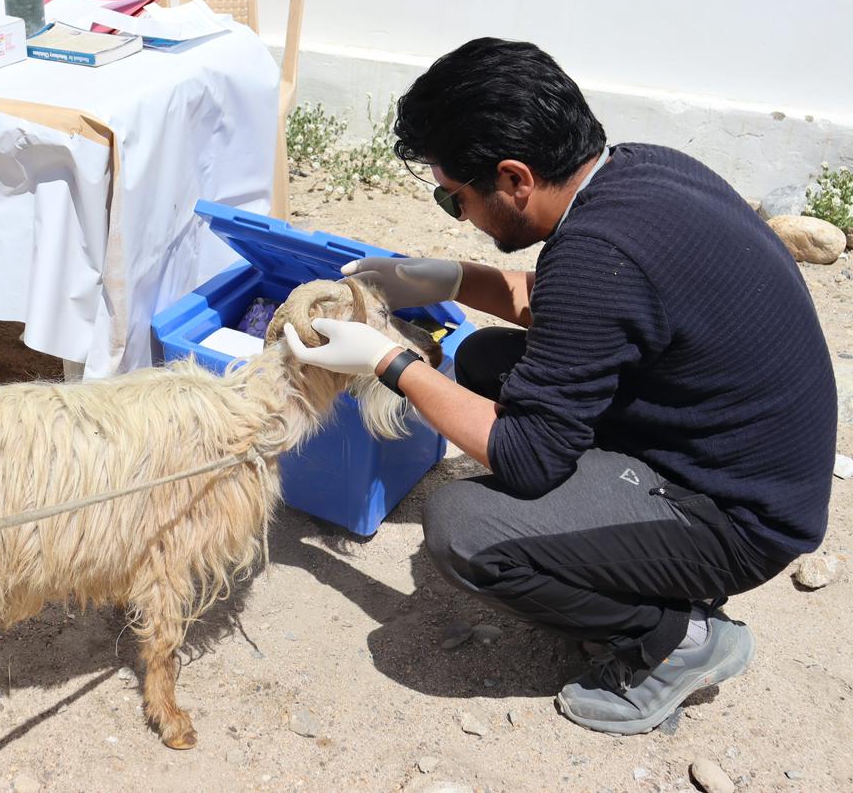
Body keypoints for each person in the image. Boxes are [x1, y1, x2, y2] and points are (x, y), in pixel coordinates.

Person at [283, 37, 837, 735]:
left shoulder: (598, 254)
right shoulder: (640, 174)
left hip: (742, 518)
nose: (459, 217)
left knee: (465, 530)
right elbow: (573, 306)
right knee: (485, 357)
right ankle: (623, 554)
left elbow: (527, 456)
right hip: (733, 447)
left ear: (513, 179)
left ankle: (677, 642)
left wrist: (391, 364)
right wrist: (444, 277)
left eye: (455, 199)